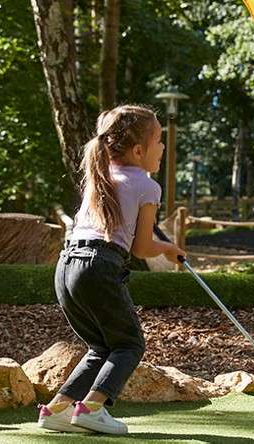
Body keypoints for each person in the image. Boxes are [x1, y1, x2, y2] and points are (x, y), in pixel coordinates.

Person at [37, 105, 184, 434]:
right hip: (99, 267)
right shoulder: (147, 186)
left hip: (67, 267)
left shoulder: (99, 177)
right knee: (130, 344)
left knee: (101, 347)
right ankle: (91, 408)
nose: (163, 147)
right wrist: (169, 249)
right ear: (137, 150)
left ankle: (56, 410)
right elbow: (142, 249)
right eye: (159, 140)